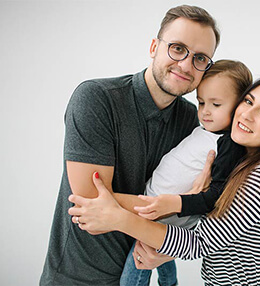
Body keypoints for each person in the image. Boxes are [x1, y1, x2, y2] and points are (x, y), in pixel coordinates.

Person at [40, 5, 220, 286]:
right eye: (177, 48)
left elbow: (207, 208)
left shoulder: (196, 122)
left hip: (140, 274)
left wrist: (170, 244)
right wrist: (182, 205)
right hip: (76, 277)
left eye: (200, 58)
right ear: (153, 47)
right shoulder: (97, 99)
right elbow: (89, 199)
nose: (186, 64)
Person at [69, 76, 260, 285]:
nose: (246, 113)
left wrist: (119, 217)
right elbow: (216, 232)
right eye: (248, 101)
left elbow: (200, 242)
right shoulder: (240, 160)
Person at [120, 60, 252, 285]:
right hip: (156, 206)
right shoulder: (206, 130)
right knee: (156, 257)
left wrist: (176, 203)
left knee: (137, 264)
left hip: (167, 214)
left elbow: (216, 196)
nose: (205, 112)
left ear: (240, 105)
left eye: (216, 104)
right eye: (201, 103)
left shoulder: (228, 144)